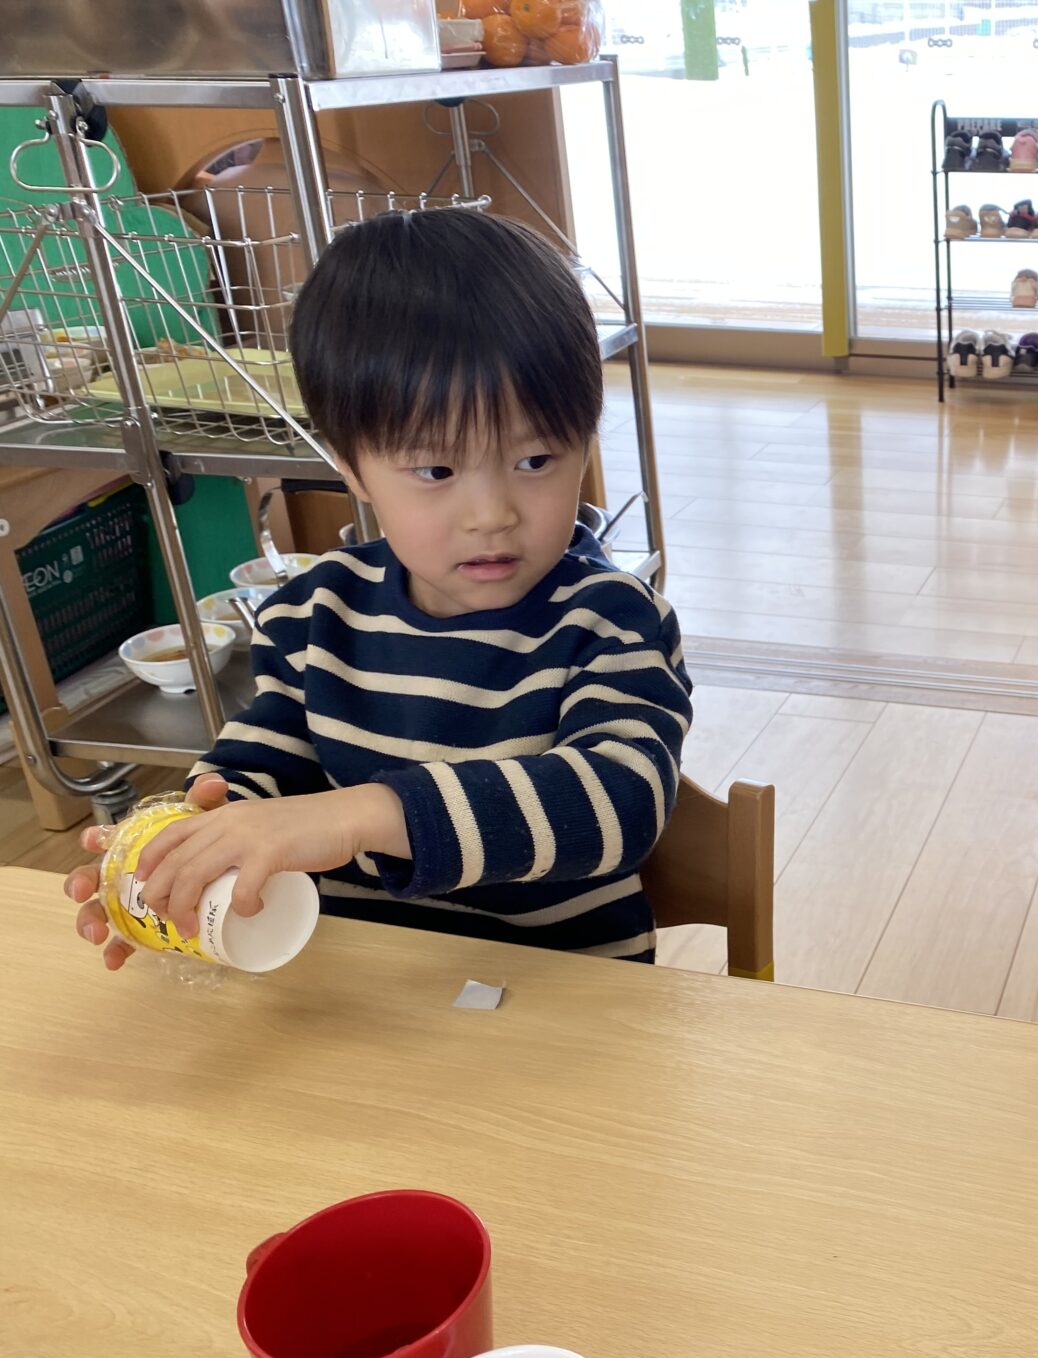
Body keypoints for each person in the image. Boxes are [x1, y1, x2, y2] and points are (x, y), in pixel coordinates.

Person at [66, 206, 691, 965]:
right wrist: (182, 853)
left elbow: (620, 804)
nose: (492, 515)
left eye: (536, 461)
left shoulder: (612, 621)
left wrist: (363, 815)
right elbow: (259, 771)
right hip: (357, 978)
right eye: (437, 470)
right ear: (352, 468)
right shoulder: (312, 614)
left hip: (564, 992)